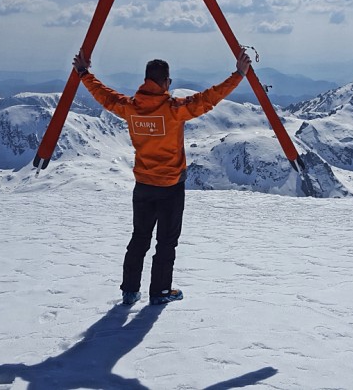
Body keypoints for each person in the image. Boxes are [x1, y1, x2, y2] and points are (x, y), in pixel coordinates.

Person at [73, 48, 251, 306]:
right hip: (170, 186)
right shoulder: (175, 109)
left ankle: (130, 291)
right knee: (166, 242)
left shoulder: (130, 108)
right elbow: (208, 99)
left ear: (147, 80)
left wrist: (83, 73)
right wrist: (238, 75)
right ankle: (160, 293)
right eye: (169, 81)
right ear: (165, 82)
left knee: (139, 238)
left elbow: (105, 96)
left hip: (143, 185)